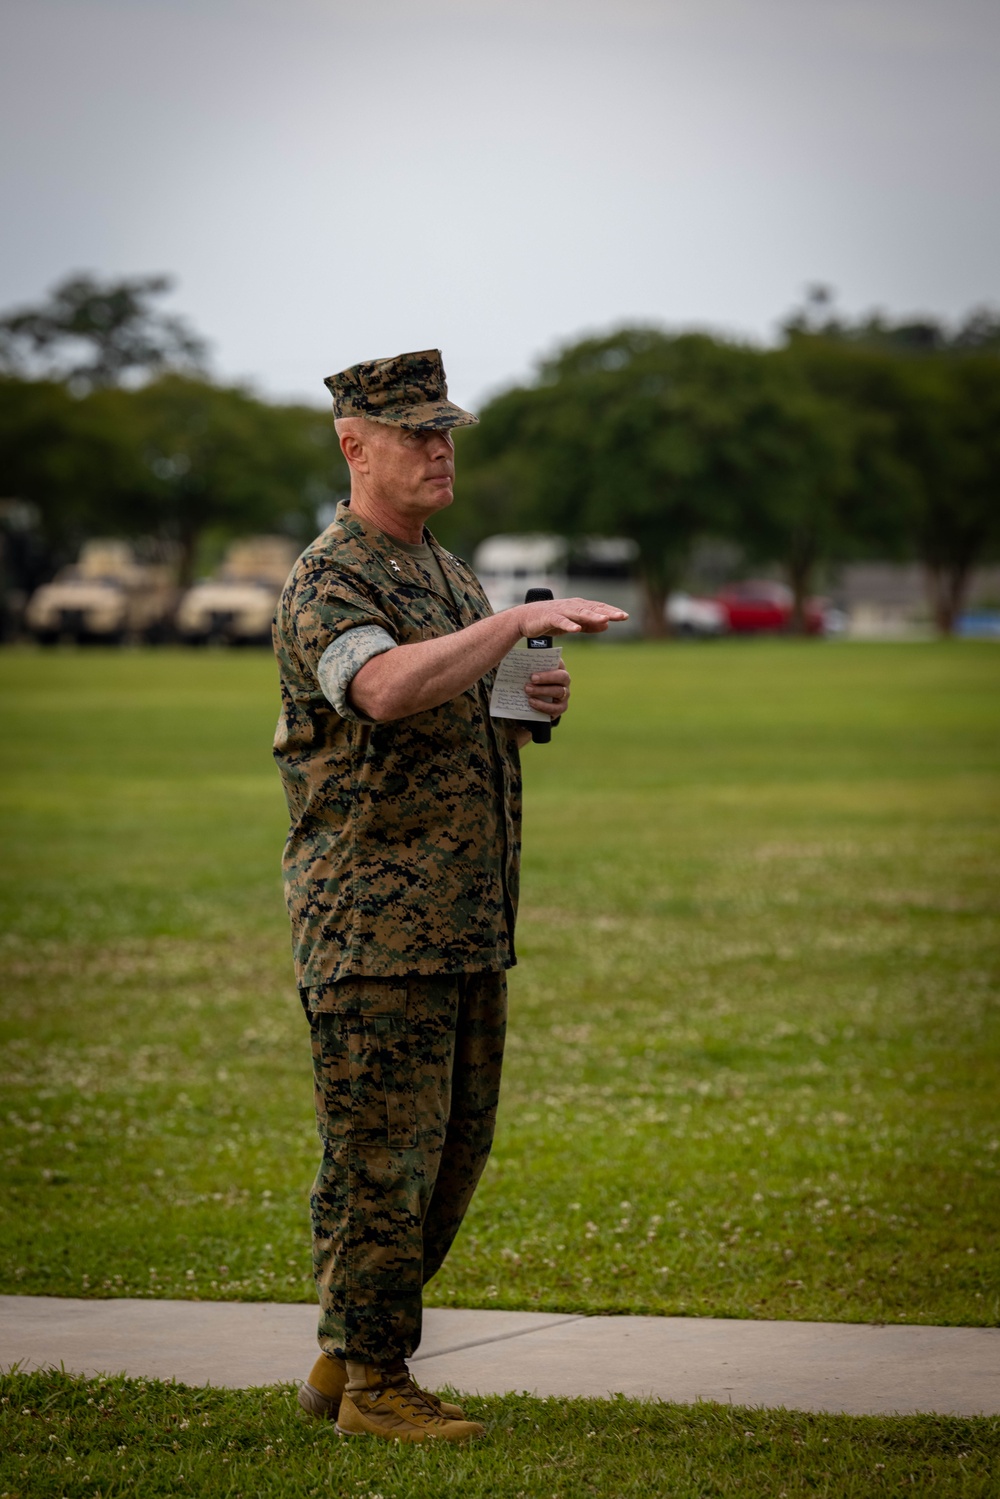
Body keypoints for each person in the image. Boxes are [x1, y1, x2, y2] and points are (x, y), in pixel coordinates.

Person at [271, 348, 627, 1444]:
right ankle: (378, 1382)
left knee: (448, 1156)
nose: (438, 447)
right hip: (374, 920)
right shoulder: (334, 577)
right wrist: (507, 630)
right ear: (353, 443)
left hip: (465, 916)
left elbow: (458, 699)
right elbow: (379, 688)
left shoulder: (447, 571)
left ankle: (347, 1352)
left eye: (446, 430)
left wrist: (526, 700)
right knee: (383, 1156)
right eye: (416, 431)